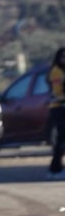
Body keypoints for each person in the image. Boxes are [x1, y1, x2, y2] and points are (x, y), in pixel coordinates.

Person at [47, 48, 65, 179]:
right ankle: (55, 168)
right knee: (61, 140)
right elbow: (57, 92)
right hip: (59, 108)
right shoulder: (56, 72)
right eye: (63, 57)